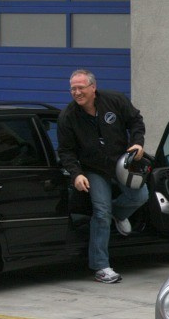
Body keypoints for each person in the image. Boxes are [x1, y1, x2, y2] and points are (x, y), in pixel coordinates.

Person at [58, 69, 148, 284]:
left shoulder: (115, 100)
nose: (77, 92)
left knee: (140, 196)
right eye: (73, 88)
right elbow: (66, 151)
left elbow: (136, 121)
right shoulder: (68, 116)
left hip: (122, 163)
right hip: (94, 169)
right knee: (101, 212)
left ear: (93, 87)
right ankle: (101, 266)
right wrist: (76, 174)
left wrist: (137, 143)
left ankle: (117, 214)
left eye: (81, 88)